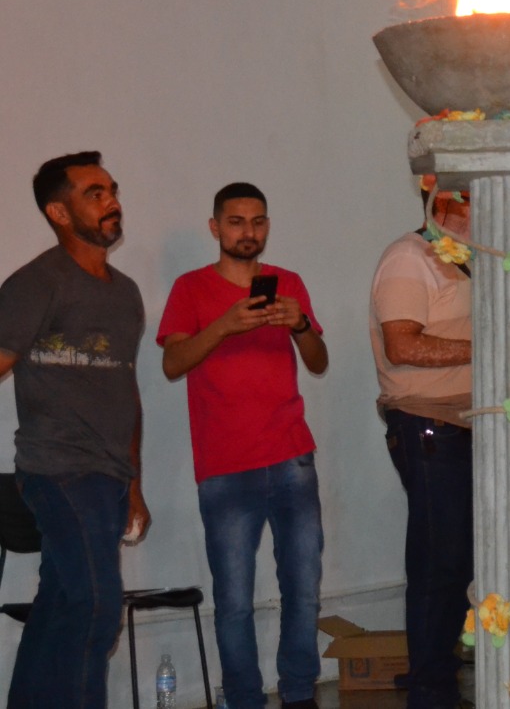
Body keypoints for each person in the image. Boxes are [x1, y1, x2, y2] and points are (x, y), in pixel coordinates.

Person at [157, 183, 327, 709]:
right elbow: (172, 364)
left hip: (292, 455)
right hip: (226, 468)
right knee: (233, 600)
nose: (247, 231)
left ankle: (299, 694)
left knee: (304, 589)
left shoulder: (288, 283)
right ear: (215, 227)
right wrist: (225, 326)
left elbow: (319, 362)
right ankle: (244, 699)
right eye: (236, 221)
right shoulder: (190, 289)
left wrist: (299, 324)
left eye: (257, 221)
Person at [0, 151, 148, 709]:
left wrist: (133, 482)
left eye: (111, 189)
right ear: (59, 213)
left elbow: (124, 391)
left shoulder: (125, 292)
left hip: (108, 478)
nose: (112, 202)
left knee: (63, 603)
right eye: (94, 193)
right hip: (57, 471)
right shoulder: (36, 283)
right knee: (95, 605)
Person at [370, 180, 474, 709]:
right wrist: (492, 346)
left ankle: (439, 673)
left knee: (463, 558)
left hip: (473, 425)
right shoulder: (409, 258)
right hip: (427, 424)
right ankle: (430, 688)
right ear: (444, 203)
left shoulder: (470, 259)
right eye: (472, 198)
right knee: (440, 558)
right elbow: (403, 344)